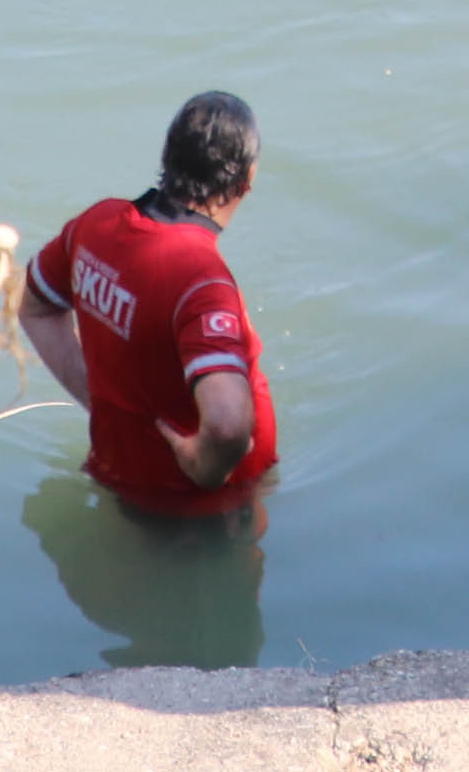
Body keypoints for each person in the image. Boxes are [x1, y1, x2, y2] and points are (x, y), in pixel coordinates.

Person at [19, 90, 276, 520]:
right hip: (214, 506)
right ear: (246, 180)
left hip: (123, 479)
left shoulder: (96, 226)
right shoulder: (200, 280)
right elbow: (229, 426)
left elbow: (35, 308)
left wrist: (103, 402)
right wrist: (202, 468)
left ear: (167, 156)